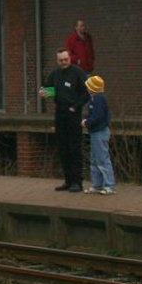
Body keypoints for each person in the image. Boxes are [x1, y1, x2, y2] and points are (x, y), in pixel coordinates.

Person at [40, 49, 89, 192]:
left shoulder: (77, 73)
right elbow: (50, 90)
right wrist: (44, 93)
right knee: (63, 148)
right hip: (59, 113)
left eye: (65, 59)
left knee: (74, 148)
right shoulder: (55, 74)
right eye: (61, 60)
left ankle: (77, 182)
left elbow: (86, 93)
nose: (63, 62)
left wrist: (76, 106)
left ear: (69, 58)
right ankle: (67, 180)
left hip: (73, 114)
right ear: (57, 61)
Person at [81, 75, 115, 194]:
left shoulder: (99, 99)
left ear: (93, 88)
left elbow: (97, 116)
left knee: (102, 158)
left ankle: (109, 185)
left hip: (100, 132)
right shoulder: (94, 99)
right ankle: (97, 184)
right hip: (95, 132)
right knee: (95, 159)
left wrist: (87, 122)